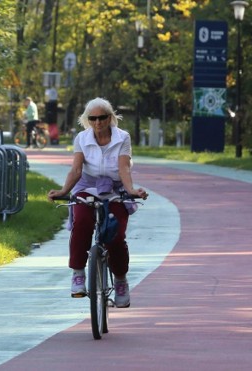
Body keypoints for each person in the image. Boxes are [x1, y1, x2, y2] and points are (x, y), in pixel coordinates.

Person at [47, 97, 148, 307]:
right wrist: (64, 190)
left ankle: (120, 280)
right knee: (82, 223)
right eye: (93, 118)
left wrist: (131, 190)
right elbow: (76, 170)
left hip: (115, 189)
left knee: (115, 235)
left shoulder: (122, 138)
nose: (98, 122)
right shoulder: (82, 139)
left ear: (110, 117)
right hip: (87, 187)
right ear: (87, 119)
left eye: (102, 117)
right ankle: (78, 274)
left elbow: (124, 168)